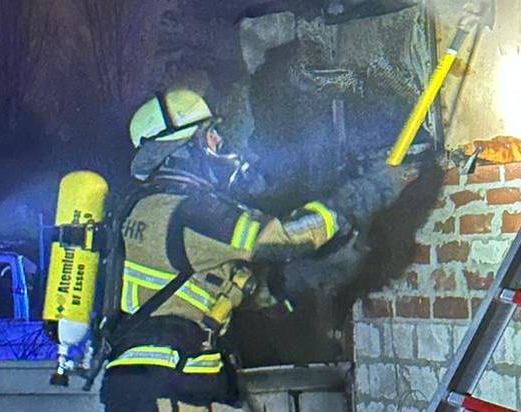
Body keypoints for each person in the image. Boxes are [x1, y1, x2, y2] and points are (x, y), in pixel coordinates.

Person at [100, 88, 414, 411]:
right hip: (170, 382)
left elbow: (218, 289)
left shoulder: (141, 208)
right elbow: (283, 238)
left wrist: (302, 279)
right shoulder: (189, 212)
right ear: (182, 148)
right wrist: (361, 195)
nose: (219, 143)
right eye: (209, 135)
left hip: (151, 381)